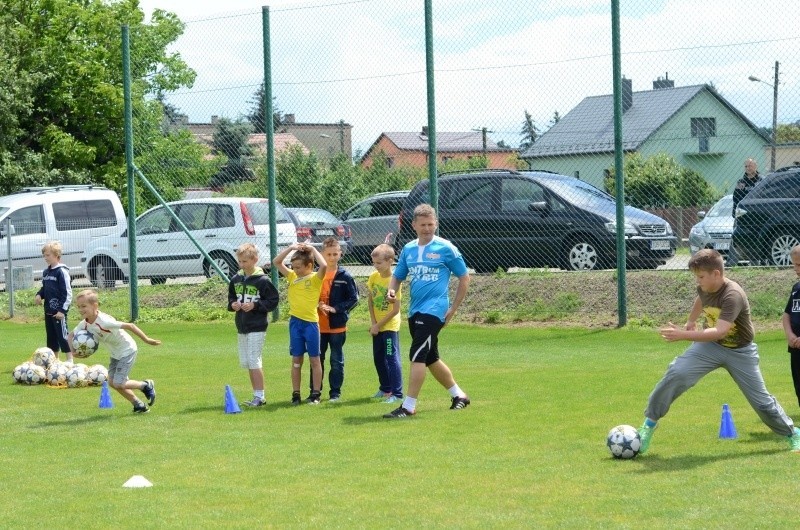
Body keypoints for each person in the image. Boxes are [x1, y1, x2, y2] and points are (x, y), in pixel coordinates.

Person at [637, 249, 800, 454]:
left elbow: (720, 331)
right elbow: (701, 298)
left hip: (740, 351)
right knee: (677, 373)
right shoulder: (705, 286)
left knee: (762, 403)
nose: (698, 281)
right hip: (710, 348)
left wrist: (682, 335)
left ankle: (792, 433)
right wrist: (691, 321)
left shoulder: (733, 294)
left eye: (701, 276)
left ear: (717, 273)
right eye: (696, 277)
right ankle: (648, 425)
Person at [383, 203, 471, 419]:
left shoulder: (446, 248)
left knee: (417, 355)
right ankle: (459, 395)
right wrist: (391, 291)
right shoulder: (409, 249)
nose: (427, 228)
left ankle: (408, 406)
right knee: (430, 358)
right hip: (416, 311)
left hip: (435, 311)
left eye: (431, 224)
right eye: (423, 224)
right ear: (413, 225)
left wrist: (453, 308)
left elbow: (464, 277)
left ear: (436, 223)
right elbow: (398, 276)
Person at [69, 289, 160, 413]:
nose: (80, 309)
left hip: (127, 350)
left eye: (84, 306)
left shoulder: (104, 321)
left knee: (119, 383)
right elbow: (70, 335)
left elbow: (130, 326)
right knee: (112, 382)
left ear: (95, 305)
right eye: (78, 307)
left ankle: (145, 385)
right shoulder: (84, 323)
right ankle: (138, 404)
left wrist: (147, 339)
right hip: (115, 353)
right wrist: (74, 351)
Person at [272, 242, 327, 405]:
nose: (295, 270)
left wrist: (313, 249)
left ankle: (315, 394)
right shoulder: (292, 277)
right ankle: (296, 394)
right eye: (293, 267)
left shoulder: (315, 279)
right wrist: (291, 248)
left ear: (309, 265)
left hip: (310, 324)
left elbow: (323, 264)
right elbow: (276, 262)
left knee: (315, 360)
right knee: (296, 360)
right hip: (295, 323)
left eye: (298, 267)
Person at [228, 243, 280, 407]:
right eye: (240, 262)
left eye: (245, 261)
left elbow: (273, 300)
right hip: (242, 326)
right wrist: (233, 305)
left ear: (254, 260)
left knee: (254, 360)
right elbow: (231, 298)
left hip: (257, 326)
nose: (242, 265)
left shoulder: (263, 280)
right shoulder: (236, 279)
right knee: (247, 362)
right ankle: (256, 395)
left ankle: (260, 396)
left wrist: (255, 306)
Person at [313, 237, 358, 402]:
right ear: (322, 255)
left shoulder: (345, 276)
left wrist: (336, 309)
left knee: (336, 360)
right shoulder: (316, 274)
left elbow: (354, 299)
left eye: (335, 254)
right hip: (317, 326)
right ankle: (315, 393)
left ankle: (335, 393)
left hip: (337, 326)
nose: (332, 257)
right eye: (328, 254)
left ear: (340, 254)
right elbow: (309, 295)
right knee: (317, 359)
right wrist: (316, 304)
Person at [367, 243, 404, 403]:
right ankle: (385, 388)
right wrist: (374, 323)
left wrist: (379, 325)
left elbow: (395, 310)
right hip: (378, 326)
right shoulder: (373, 277)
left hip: (389, 327)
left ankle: (397, 393)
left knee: (391, 358)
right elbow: (370, 300)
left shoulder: (394, 280)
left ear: (390, 261)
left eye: (379, 263)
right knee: (378, 358)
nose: (376, 266)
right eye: (374, 263)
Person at [34, 241, 73, 363]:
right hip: (48, 311)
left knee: (62, 335)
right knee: (51, 337)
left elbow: (67, 293)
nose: (45, 258)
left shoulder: (62, 272)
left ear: (56, 255)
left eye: (48, 255)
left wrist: (62, 310)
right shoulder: (46, 272)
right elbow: (45, 289)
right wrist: (39, 295)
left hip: (59, 312)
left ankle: (70, 360)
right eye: (44, 255)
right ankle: (54, 360)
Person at [728, 158, 762, 266]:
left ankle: (755, 262)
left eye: (750, 166)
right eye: (746, 166)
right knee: (735, 237)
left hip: (756, 215)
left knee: (756, 238)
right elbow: (736, 198)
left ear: (755, 166)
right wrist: (736, 213)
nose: (747, 168)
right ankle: (731, 263)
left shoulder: (761, 181)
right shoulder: (741, 182)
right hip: (742, 214)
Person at [782, 245, 800, 408]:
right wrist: (790, 335)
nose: (797, 269)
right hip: (795, 347)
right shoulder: (796, 289)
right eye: (795, 264)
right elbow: (787, 315)